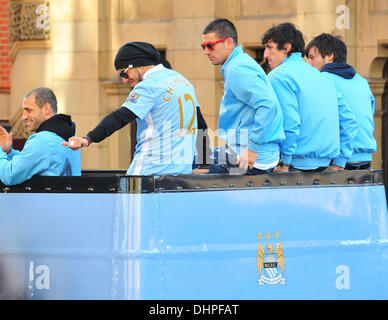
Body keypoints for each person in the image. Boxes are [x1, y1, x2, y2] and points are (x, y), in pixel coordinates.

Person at [63, 41, 201, 176]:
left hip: (150, 171)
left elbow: (120, 117)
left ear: (136, 65)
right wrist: (206, 163)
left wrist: (88, 138)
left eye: (124, 73)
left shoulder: (149, 85)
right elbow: (201, 125)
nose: (124, 80)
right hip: (182, 173)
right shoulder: (184, 82)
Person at [262, 23, 357, 172]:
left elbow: (290, 124)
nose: (265, 55)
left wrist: (284, 163)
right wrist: (340, 162)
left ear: (286, 48)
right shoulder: (324, 77)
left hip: (291, 166)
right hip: (325, 167)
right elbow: (350, 121)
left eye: (269, 47)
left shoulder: (278, 76)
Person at [200, 18, 285, 175]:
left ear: (229, 43)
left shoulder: (237, 69)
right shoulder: (239, 63)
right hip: (255, 152)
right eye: (203, 46)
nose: (206, 51)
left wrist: (252, 149)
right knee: (200, 157)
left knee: (189, 164)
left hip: (253, 157)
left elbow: (267, 105)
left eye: (210, 46)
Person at [306, 33, 377, 170]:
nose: (308, 63)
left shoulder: (323, 79)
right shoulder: (362, 81)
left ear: (329, 56)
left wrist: (339, 161)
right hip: (365, 158)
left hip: (340, 161)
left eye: (312, 57)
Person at [0, 87, 81, 186]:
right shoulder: (72, 137)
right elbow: (32, 161)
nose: (23, 117)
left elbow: (8, 176)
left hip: (47, 201)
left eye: (28, 110)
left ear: (46, 108)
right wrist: (8, 151)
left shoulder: (41, 141)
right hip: (68, 200)